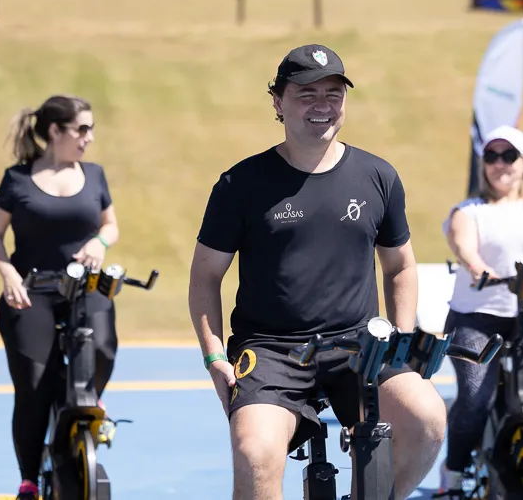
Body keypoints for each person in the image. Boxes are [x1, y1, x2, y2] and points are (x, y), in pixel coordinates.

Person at [188, 44, 448, 500]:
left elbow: (400, 266)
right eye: (306, 94)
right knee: (254, 454)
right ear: (278, 102)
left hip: (359, 347)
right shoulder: (239, 184)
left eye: (333, 93)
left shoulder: (378, 176)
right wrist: (214, 358)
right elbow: (205, 278)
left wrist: (402, 338)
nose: (322, 105)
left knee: (426, 419)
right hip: (271, 351)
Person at [0, 95, 120, 500]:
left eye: (91, 129)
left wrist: (98, 242)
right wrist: (8, 273)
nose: (89, 138)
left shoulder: (94, 175)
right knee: (33, 386)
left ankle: (88, 402)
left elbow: (110, 226)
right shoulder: (17, 179)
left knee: (103, 348)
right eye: (82, 129)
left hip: (84, 287)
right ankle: (28, 479)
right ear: (56, 131)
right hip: (31, 292)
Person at [434, 125, 523, 498]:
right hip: (474, 317)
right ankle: (454, 470)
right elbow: (463, 246)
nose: (500, 164)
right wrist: (480, 270)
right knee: (475, 395)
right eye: (492, 156)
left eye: (509, 156)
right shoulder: (469, 210)